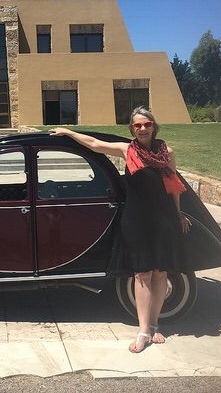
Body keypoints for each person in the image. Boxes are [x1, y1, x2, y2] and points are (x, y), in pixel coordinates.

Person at [50, 106, 191, 353]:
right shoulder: (128, 150)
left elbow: (173, 186)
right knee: (141, 274)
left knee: (160, 273)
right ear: (132, 129)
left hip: (163, 219)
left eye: (147, 124)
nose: (143, 129)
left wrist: (178, 214)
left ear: (154, 126)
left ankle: (156, 325)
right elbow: (94, 143)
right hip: (136, 218)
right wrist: (68, 132)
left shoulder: (166, 152)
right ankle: (143, 331)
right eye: (138, 125)